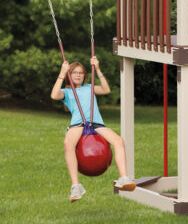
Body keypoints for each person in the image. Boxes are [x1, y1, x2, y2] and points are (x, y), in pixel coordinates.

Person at [51, 56, 134, 200]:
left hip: (96, 123)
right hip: (78, 124)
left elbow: (106, 89)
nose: (78, 75)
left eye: (81, 73)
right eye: (74, 73)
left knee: (119, 141)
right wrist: (62, 73)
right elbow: (54, 95)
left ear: (85, 75)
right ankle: (76, 186)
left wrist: (98, 69)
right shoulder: (68, 92)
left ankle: (123, 178)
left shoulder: (89, 87)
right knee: (68, 144)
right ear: (69, 75)